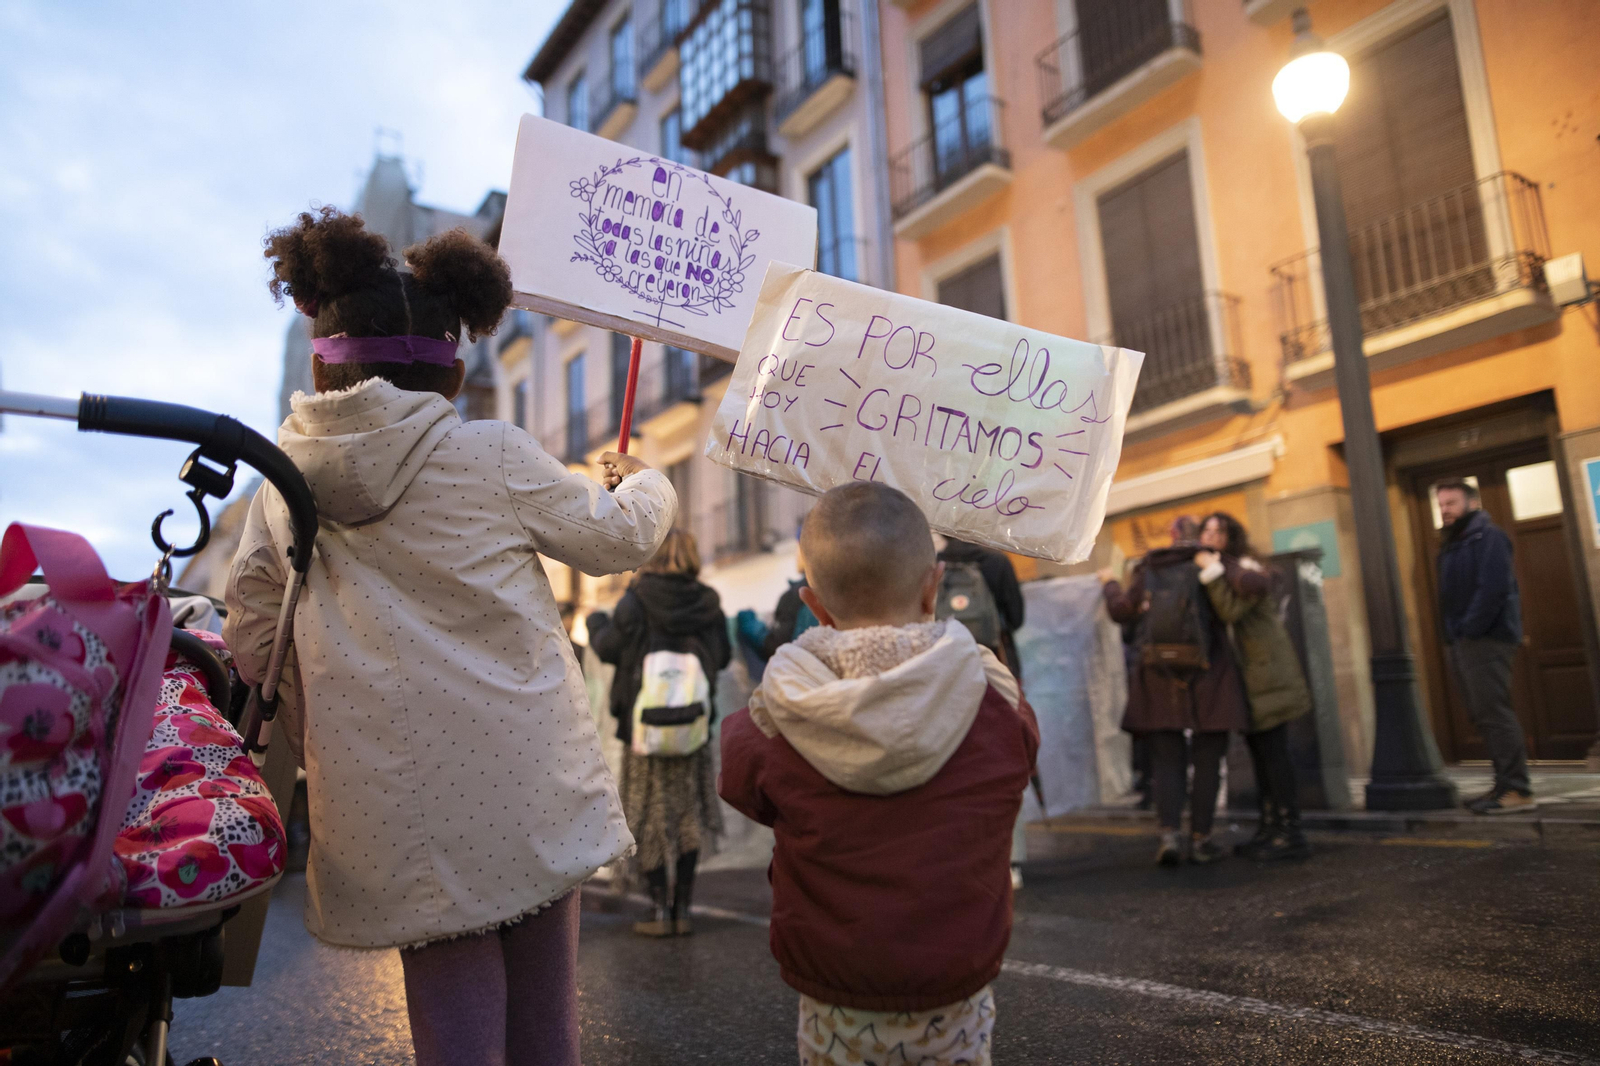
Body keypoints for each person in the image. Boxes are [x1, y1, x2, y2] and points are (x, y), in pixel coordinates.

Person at [225, 207, 675, 1066]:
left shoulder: (281, 492)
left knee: (450, 1019)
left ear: (321, 364)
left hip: (390, 790)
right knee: (546, 1020)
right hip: (527, 777)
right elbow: (618, 537)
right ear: (454, 375)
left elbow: (252, 640)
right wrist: (648, 483)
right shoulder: (491, 454)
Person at [720, 483, 1038, 1066]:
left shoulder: (780, 714)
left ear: (814, 605)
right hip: (956, 987)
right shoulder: (991, 698)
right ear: (933, 586)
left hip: (835, 994)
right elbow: (1023, 746)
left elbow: (738, 778)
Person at [587, 528, 731, 937]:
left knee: (649, 815)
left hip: (644, 730)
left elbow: (609, 648)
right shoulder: (708, 602)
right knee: (686, 816)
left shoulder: (635, 601)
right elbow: (721, 657)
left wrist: (596, 621)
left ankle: (657, 911)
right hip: (692, 726)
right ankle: (682, 909)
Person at [1100, 516, 1249, 866]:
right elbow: (1237, 602)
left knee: (1167, 760)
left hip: (1159, 673)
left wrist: (1109, 584)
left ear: (1171, 536)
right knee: (1208, 759)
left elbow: (1121, 611)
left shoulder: (1149, 567)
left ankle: (1169, 834)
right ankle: (1201, 838)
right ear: (1199, 537)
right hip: (1209, 671)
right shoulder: (1211, 562)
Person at [1196, 513, 1313, 860]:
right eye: (1207, 530)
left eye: (1219, 531)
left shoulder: (1245, 571)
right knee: (1262, 757)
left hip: (1267, 675)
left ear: (1232, 537)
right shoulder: (1231, 571)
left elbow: (1230, 611)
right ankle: (1270, 828)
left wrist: (1211, 572)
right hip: (1250, 678)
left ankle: (1290, 832)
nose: (1212, 536)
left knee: (1274, 756)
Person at [1435, 479, 1530, 814]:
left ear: (1472, 503)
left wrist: (1470, 629)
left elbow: (1493, 588)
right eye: (1441, 504)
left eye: (1451, 503)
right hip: (1464, 640)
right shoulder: (1454, 543)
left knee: (1494, 713)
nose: (1445, 510)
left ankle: (1517, 789)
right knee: (1483, 716)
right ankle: (1503, 786)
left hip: (1487, 638)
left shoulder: (1488, 537)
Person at [938, 536, 1026, 680]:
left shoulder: (934, 563)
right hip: (996, 663)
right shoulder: (998, 561)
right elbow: (1016, 619)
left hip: (948, 667)